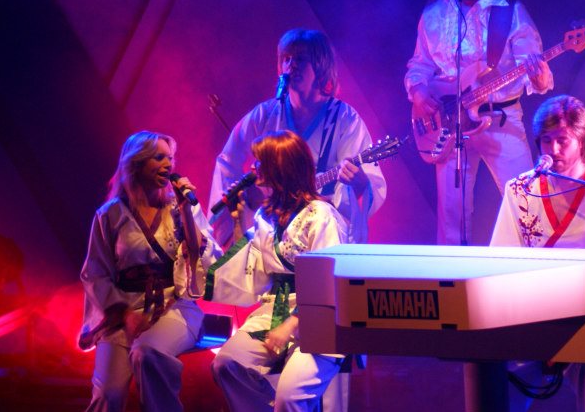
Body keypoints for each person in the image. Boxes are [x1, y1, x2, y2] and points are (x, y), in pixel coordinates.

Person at [490, 95, 585, 411]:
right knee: (496, 368)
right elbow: (502, 259)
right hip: (532, 312)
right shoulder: (520, 189)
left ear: (583, 141)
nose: (554, 149)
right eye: (546, 140)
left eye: (563, 140)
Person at [405, 0, 553, 245]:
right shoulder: (433, 16)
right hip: (451, 126)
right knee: (452, 218)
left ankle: (536, 267)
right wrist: (418, 92)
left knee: (528, 204)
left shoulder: (508, 11)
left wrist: (539, 75)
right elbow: (420, 66)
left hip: (501, 120)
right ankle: (453, 273)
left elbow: (534, 72)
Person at [78, 130, 221, 412]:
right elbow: (94, 274)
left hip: (173, 306)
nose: (168, 165)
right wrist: (124, 314)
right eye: (159, 158)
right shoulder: (110, 215)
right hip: (122, 312)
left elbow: (203, 256)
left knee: (148, 352)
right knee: (108, 393)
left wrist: (186, 210)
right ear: (136, 163)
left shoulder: (179, 208)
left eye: (171, 158)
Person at [209, 130, 348, 412]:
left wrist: (292, 324)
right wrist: (239, 222)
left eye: (261, 162)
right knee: (227, 364)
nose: (254, 168)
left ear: (280, 167)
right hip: (276, 310)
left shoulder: (320, 215)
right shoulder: (266, 215)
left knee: (290, 397)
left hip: (319, 319)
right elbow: (256, 271)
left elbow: (328, 282)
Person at [209, 28, 386, 248]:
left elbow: (369, 182)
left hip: (319, 229)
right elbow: (228, 161)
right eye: (286, 58)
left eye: (300, 59)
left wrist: (359, 183)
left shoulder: (344, 118)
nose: (291, 65)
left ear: (320, 66)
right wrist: (244, 205)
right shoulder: (266, 114)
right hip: (269, 227)